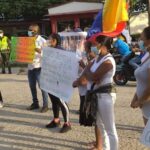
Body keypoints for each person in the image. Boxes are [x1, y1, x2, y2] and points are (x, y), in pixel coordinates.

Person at [74, 35, 118, 150]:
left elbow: (92, 75)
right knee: (99, 125)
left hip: (105, 96)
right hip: (95, 95)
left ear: (102, 45)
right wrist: (89, 75)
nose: (93, 46)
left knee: (110, 128)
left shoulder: (108, 60)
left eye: (95, 44)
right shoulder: (96, 59)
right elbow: (87, 74)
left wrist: (89, 73)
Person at [45, 33, 71, 133]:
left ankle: (67, 123)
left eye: (49, 39)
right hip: (50, 79)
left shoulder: (61, 51)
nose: (48, 40)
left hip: (59, 81)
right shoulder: (50, 50)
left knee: (61, 101)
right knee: (54, 101)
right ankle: (56, 120)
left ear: (55, 40)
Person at [27, 24, 49, 113]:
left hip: (39, 67)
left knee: (42, 87)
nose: (28, 32)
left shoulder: (42, 41)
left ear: (35, 31)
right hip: (30, 67)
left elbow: (47, 54)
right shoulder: (28, 41)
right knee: (32, 86)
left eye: (30, 30)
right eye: (28, 30)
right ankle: (35, 103)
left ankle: (45, 105)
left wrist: (40, 51)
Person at [130, 26, 150, 126]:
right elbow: (142, 81)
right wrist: (136, 97)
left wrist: (140, 101)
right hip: (145, 105)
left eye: (143, 38)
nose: (141, 40)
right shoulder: (147, 54)